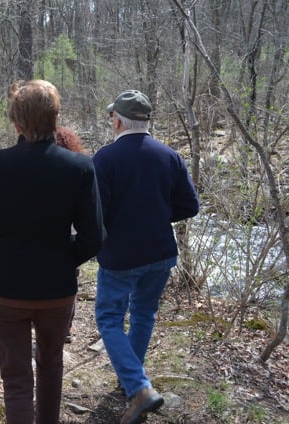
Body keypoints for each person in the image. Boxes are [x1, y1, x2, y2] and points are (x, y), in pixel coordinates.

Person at [0, 79, 106, 424]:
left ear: (15, 121)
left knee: (15, 379)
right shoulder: (79, 167)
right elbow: (94, 236)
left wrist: (0, 261)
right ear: (55, 119)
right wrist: (62, 259)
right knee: (50, 365)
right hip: (56, 291)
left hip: (5, 289)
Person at [93, 90, 200, 424]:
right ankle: (134, 384)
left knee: (109, 318)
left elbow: (98, 213)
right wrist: (155, 213)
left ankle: (138, 386)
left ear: (120, 121)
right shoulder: (170, 156)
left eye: (113, 117)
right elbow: (190, 206)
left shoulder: (106, 158)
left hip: (121, 255)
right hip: (160, 253)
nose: (112, 121)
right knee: (143, 314)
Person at [54, 126, 86, 343]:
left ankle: (64, 327)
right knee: (69, 281)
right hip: (70, 239)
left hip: (60, 235)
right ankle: (66, 326)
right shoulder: (78, 167)